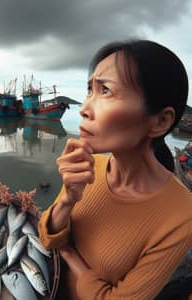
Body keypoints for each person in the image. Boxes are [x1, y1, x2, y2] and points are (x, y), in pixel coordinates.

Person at [38, 39, 192, 300]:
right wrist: (68, 199)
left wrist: (71, 255)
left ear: (160, 121)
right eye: (89, 91)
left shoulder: (182, 214)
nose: (85, 110)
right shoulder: (89, 168)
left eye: (106, 91)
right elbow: (48, 237)